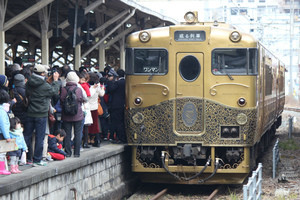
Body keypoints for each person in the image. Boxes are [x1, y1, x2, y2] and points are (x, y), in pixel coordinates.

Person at [23, 64, 60, 166]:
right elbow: (54, 91)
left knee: (27, 135)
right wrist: (56, 81)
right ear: (43, 73)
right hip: (41, 114)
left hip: (30, 112)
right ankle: (37, 159)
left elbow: (27, 93)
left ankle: (22, 158)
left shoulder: (29, 83)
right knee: (40, 137)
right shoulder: (44, 86)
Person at [60, 71, 84, 157]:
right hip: (77, 114)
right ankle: (77, 153)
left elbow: (62, 100)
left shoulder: (63, 89)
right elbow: (81, 99)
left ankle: (68, 152)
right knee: (78, 133)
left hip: (66, 114)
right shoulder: (78, 89)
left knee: (67, 133)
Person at [107, 69, 126, 144]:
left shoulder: (117, 83)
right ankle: (121, 137)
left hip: (116, 105)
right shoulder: (126, 82)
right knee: (121, 121)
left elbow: (111, 90)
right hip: (123, 104)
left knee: (116, 122)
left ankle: (119, 137)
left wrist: (111, 81)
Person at [87, 72, 105, 147]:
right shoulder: (97, 86)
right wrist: (102, 88)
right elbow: (101, 94)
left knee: (87, 125)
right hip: (94, 107)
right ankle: (94, 139)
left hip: (87, 108)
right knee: (95, 125)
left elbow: (88, 95)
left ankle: (88, 139)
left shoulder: (87, 87)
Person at [79, 71, 93, 148]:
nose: (81, 81)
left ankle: (84, 142)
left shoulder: (83, 86)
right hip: (86, 106)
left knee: (83, 125)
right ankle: (85, 142)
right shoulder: (86, 85)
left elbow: (88, 95)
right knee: (85, 126)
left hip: (84, 106)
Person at [0, 89, 12, 175]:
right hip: (2, 134)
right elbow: (3, 124)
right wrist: (7, 136)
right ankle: (1, 168)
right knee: (2, 152)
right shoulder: (2, 112)